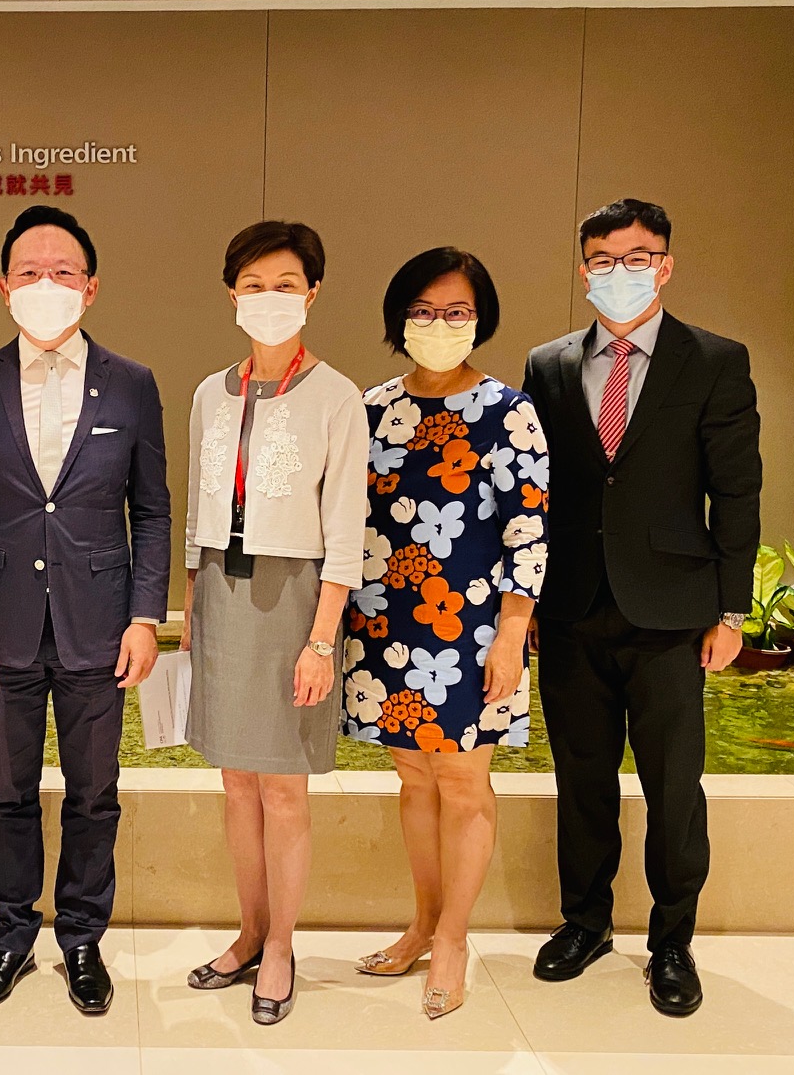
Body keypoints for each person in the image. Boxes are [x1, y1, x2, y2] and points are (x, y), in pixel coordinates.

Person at [522, 198, 761, 1018]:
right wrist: (524, 602)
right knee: (581, 778)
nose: (618, 272)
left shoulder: (715, 361)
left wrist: (732, 611)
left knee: (673, 786)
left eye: (636, 257)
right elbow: (535, 491)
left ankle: (672, 941)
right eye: (602, 259)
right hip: (571, 605)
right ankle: (585, 922)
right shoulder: (548, 364)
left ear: (665, 265)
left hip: (672, 611)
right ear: (583, 269)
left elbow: (737, 491)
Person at [0, 206, 170, 1014]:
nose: (46, 283)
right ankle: (9, 937)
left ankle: (82, 938)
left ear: (90, 288)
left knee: (94, 793)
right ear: (4, 288)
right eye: (29, 272)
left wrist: (145, 617)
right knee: (7, 791)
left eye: (63, 271)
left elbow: (152, 510)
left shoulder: (132, 382)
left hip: (99, 623)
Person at [341, 248, 546, 1019]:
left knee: (463, 782)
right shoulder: (370, 408)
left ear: (480, 318)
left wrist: (512, 634)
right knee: (415, 779)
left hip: (472, 627)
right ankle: (422, 924)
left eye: (456, 311)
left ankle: (455, 938)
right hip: (386, 621)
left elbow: (529, 531)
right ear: (399, 317)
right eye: (423, 311)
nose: (439, 324)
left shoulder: (508, 411)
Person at [180, 221, 365, 1026]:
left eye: (286, 284)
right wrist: (191, 609)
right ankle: (249, 930)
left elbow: (346, 532)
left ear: (312, 294)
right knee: (235, 782)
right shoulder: (209, 393)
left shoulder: (337, 395)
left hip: (296, 601)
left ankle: (283, 944)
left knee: (284, 788)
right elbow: (197, 514)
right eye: (253, 285)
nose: (269, 298)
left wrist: (322, 640)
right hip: (222, 593)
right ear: (231, 295)